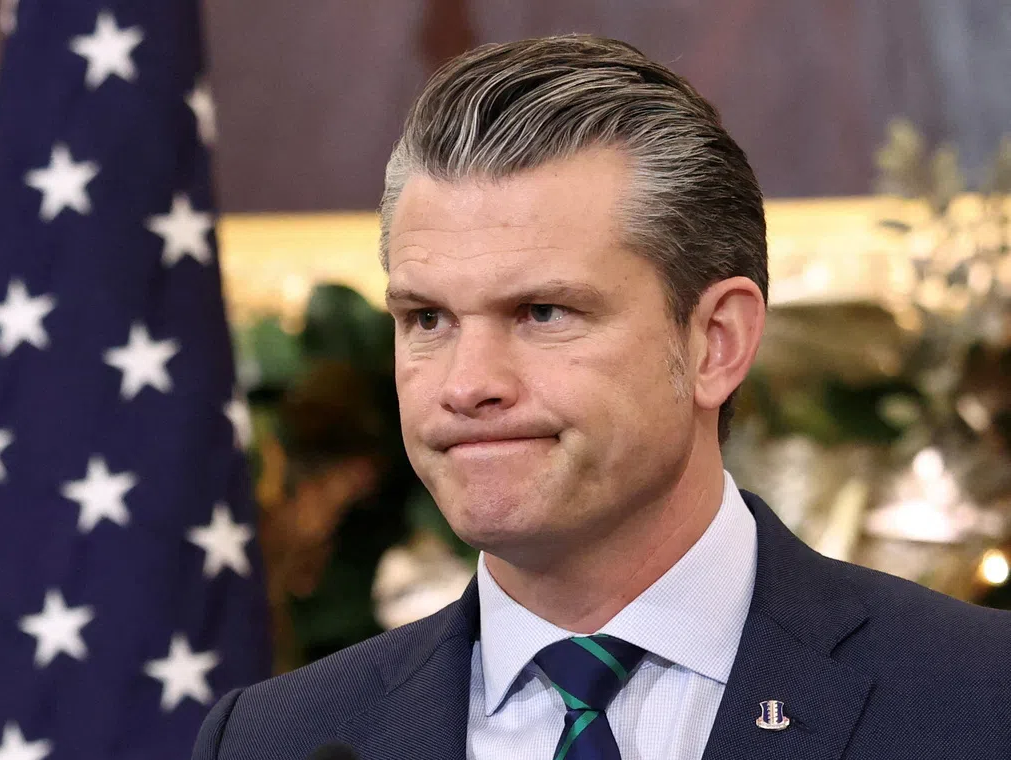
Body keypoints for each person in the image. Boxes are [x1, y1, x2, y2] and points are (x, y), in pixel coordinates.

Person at [193, 35, 1011, 760]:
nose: (468, 384)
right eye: (428, 318)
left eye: (543, 312)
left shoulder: (980, 698)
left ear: (715, 342)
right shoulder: (276, 741)